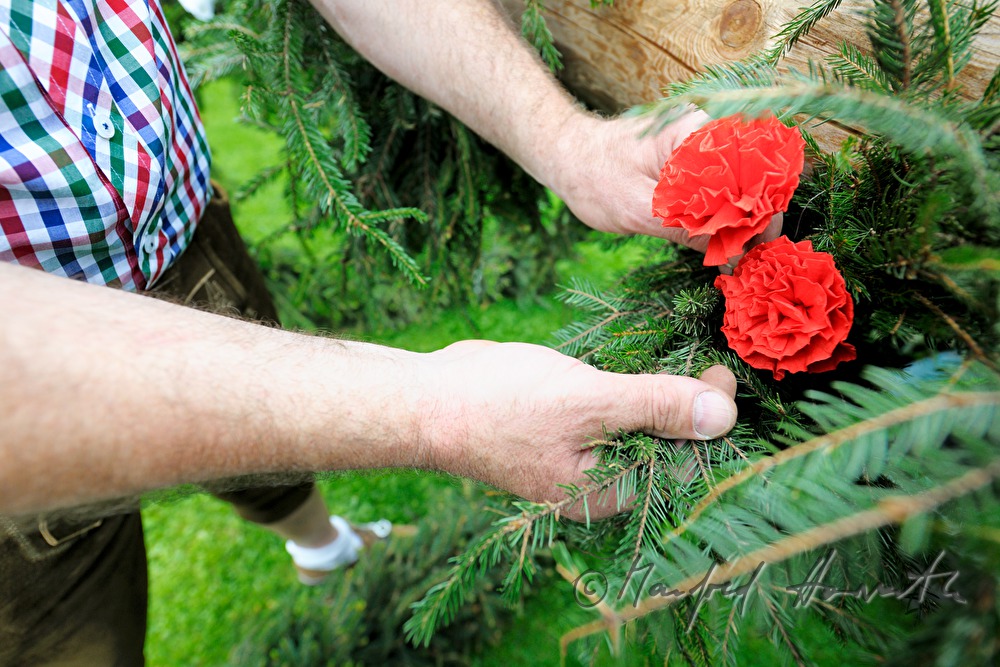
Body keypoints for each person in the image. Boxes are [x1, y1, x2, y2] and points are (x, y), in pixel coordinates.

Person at [0, 0, 748, 664]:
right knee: (76, 633)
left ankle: (322, 544)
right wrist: (441, 412)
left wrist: (570, 147)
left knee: (266, 451)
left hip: (178, 223)